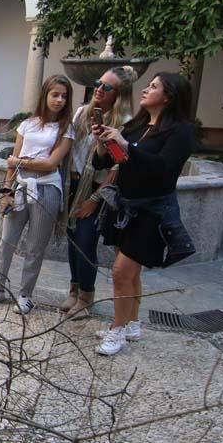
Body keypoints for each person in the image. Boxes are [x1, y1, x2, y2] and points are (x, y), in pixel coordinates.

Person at [91, 72, 196, 355]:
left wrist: (125, 145)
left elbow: (163, 168)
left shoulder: (181, 131)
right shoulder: (137, 125)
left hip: (151, 210)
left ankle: (116, 330)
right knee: (130, 271)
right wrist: (103, 140)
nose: (146, 90)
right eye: (148, 85)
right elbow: (106, 160)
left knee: (120, 272)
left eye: (153, 86)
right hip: (125, 206)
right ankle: (131, 322)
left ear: (169, 96)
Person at [0, 75, 74, 315]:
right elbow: (11, 163)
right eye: (55, 94)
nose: (59, 100)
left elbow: (51, 164)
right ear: (45, 95)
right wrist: (6, 192)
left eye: (64, 96)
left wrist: (19, 161)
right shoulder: (27, 124)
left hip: (47, 189)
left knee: (35, 247)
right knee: (7, 241)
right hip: (20, 187)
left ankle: (25, 294)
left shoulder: (66, 128)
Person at [61, 66, 138, 318]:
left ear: (119, 94)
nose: (98, 89)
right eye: (98, 83)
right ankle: (74, 289)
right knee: (73, 241)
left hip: (98, 190)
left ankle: (86, 296)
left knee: (85, 241)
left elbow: (117, 166)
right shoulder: (83, 112)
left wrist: (94, 199)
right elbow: (70, 147)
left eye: (106, 86)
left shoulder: (124, 122)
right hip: (74, 184)